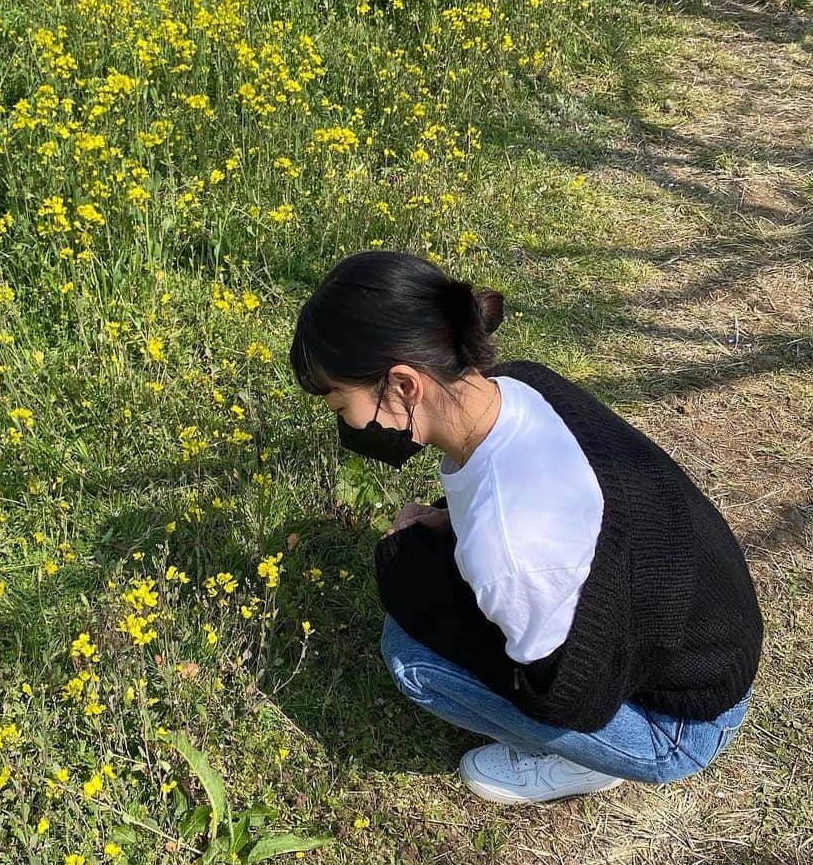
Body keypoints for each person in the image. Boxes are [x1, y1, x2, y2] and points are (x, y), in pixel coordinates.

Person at [289, 251, 763, 805]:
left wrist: (406, 574)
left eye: (339, 404)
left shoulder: (511, 542)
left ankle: (583, 764)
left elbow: (568, 698)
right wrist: (445, 523)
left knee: (410, 656)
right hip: (710, 641)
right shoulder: (519, 388)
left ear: (403, 386)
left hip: (681, 723)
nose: (343, 424)